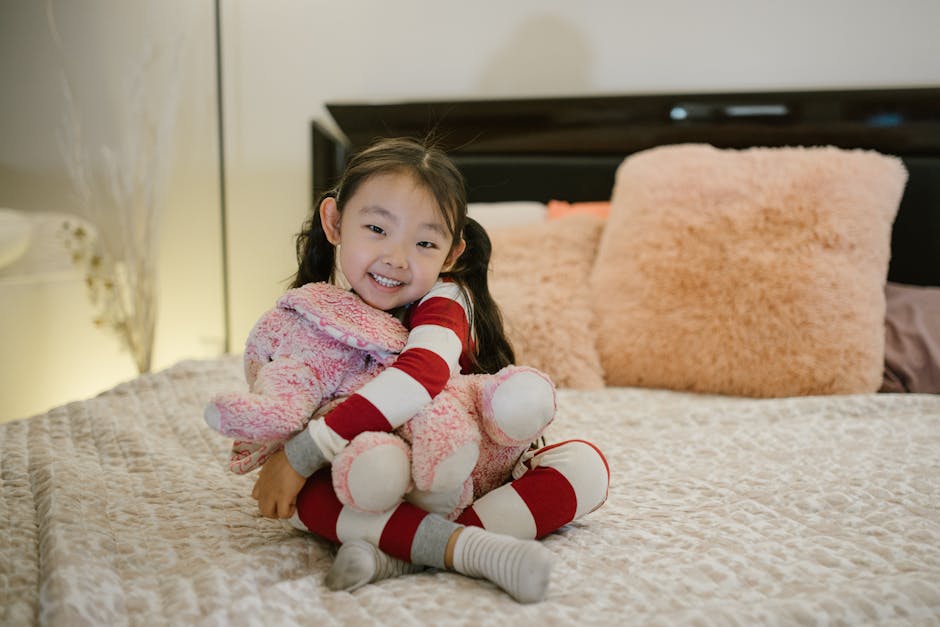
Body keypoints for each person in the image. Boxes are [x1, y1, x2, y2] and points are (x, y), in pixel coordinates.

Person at [251, 137, 609, 603]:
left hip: (458, 466)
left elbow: (425, 372)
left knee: (586, 468)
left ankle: (404, 551)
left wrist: (304, 452)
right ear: (335, 222)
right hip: (369, 472)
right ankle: (459, 547)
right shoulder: (310, 314)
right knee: (302, 501)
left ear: (453, 254)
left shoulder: (445, 298)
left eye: (424, 242)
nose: (397, 258)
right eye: (377, 229)